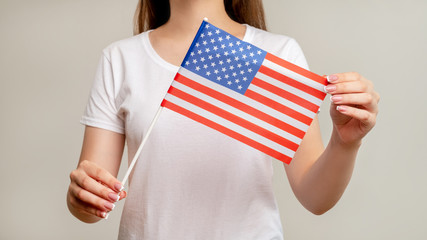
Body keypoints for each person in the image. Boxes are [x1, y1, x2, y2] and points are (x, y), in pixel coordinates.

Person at [67, 0, 380, 239]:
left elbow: (316, 197)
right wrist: (80, 197)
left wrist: (345, 142)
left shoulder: (276, 55)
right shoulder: (120, 59)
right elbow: (93, 198)